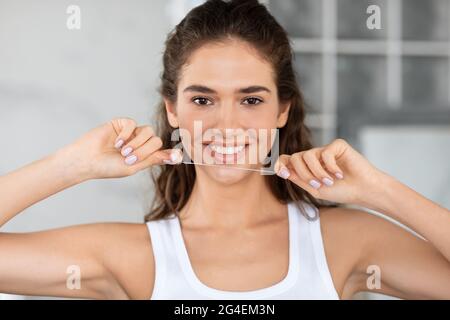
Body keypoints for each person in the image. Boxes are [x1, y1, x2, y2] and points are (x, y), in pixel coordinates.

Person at [0, 0, 449, 300]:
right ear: (172, 110)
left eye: (251, 100)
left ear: (281, 109)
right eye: (202, 100)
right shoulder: (133, 253)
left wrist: (381, 190)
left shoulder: (345, 240)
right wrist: (71, 165)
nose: (227, 124)